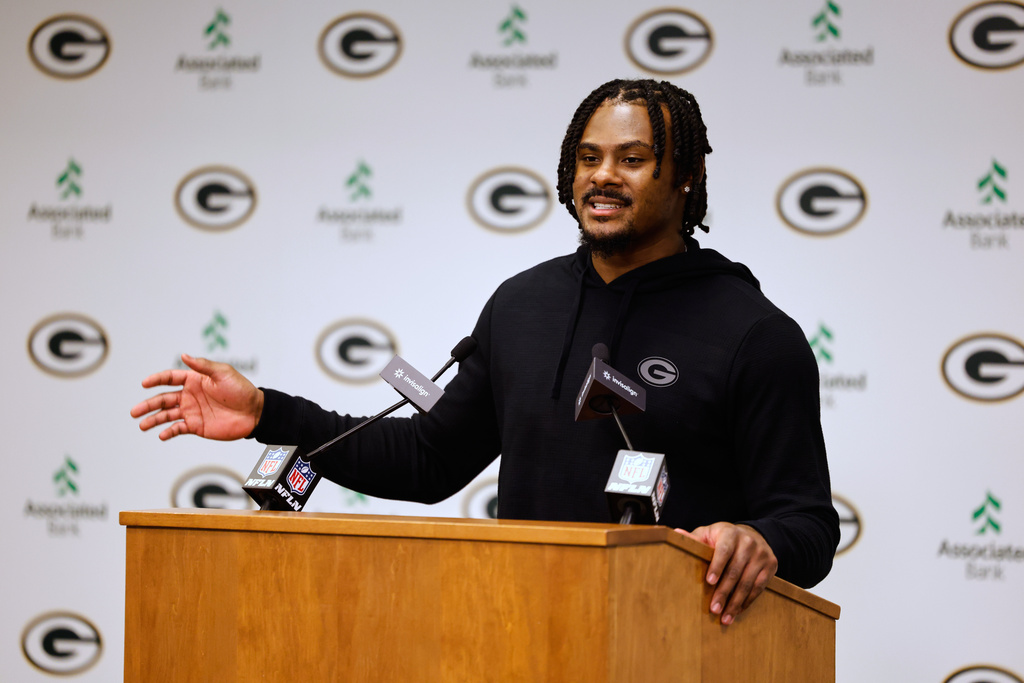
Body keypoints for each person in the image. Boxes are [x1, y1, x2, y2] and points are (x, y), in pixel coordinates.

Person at [132, 78, 839, 627]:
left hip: (674, 646)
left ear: (686, 173)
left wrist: (759, 538)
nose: (603, 176)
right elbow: (430, 459)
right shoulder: (522, 304)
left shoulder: (753, 333)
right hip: (518, 634)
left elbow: (809, 525)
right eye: (589, 157)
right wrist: (265, 411)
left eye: (634, 158)